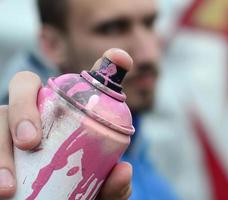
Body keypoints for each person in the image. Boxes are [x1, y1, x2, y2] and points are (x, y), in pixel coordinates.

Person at [0, 0, 178, 199]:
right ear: (53, 44)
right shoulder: (18, 154)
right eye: (112, 28)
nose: (148, 54)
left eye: (149, 23)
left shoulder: (141, 150)